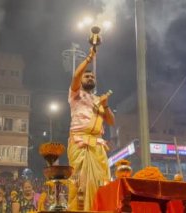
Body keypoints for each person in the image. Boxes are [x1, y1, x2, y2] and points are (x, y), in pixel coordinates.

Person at [67, 47, 115, 211]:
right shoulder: (75, 95)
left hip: (98, 146)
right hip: (80, 143)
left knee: (101, 180)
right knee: (81, 180)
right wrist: (89, 57)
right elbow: (75, 76)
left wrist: (105, 105)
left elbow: (111, 121)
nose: (90, 78)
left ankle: (99, 208)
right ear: (81, 81)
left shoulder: (99, 99)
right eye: (87, 76)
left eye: (92, 76)